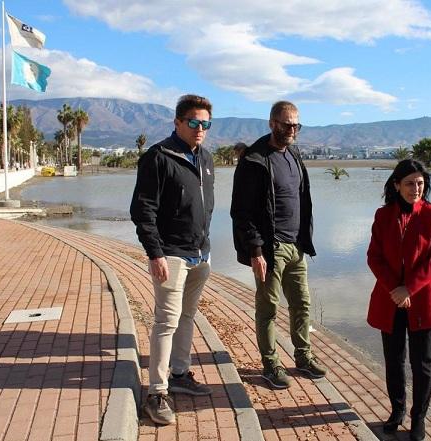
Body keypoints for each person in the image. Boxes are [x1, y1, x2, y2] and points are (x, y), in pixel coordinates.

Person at [130, 94, 215, 425]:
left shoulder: (205, 158)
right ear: (178, 122)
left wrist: (206, 247)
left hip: (201, 254)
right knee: (166, 321)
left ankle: (180, 374)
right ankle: (156, 393)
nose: (200, 129)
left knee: (187, 316)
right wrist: (155, 252)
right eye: (193, 122)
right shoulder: (158, 157)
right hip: (171, 254)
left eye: (205, 124)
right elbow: (143, 210)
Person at [230, 101, 326, 389]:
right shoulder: (255, 160)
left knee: (302, 304)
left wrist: (304, 239)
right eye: (287, 124)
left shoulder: (293, 155)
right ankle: (271, 364)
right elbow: (242, 212)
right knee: (268, 308)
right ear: (272, 123)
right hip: (270, 249)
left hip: (296, 245)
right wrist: (255, 251)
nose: (292, 130)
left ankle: (303, 356)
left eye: (297, 125)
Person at [366, 159, 431, 441]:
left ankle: (419, 418)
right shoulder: (383, 215)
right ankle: (397, 410)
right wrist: (396, 290)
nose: (416, 189)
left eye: (421, 183)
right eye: (410, 183)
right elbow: (373, 257)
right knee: (394, 359)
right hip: (391, 300)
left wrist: (409, 288)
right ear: (396, 185)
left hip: (423, 300)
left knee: (422, 363)